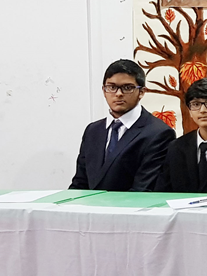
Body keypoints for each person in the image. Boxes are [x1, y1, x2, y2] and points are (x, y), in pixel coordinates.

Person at [70, 59, 175, 191]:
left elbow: (143, 190)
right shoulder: (93, 130)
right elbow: (80, 183)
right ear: (104, 91)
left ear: (142, 92)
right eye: (112, 87)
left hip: (131, 204)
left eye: (127, 88)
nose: (118, 94)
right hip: (91, 205)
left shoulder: (159, 133)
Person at [156, 78, 207, 193]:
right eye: (196, 104)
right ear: (189, 110)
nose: (202, 110)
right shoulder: (177, 147)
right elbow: (163, 191)